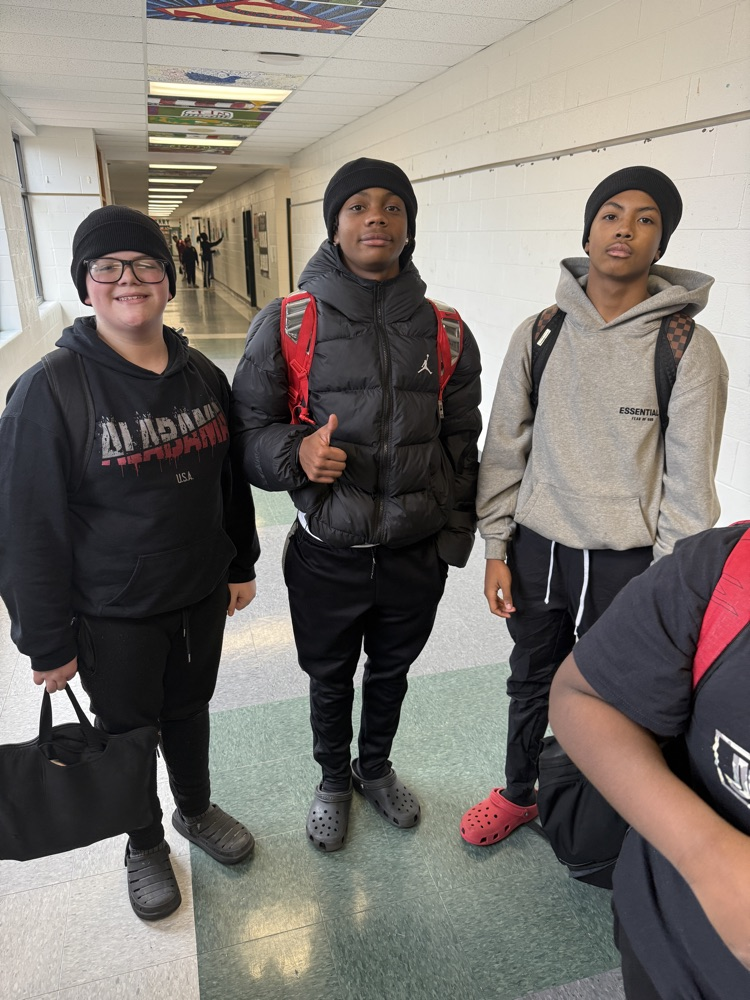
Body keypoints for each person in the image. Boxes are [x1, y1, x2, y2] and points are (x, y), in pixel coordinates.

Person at [0, 206, 259, 920]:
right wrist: (45, 639)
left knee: (190, 711)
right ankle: (142, 841)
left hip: (199, 592)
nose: (127, 280)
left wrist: (239, 561)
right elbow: (25, 528)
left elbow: (227, 479)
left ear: (169, 280)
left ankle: (195, 810)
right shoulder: (50, 391)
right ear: (86, 286)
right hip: (111, 611)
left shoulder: (202, 373)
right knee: (125, 733)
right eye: (106, 267)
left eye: (145, 265)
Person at [460, 166, 728, 846]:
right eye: (612, 214)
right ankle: (519, 791)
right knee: (531, 682)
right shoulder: (542, 333)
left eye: (646, 220)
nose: (626, 229)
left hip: (630, 565)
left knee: (620, 699)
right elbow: (505, 448)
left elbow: (689, 485)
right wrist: (496, 546)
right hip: (539, 550)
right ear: (589, 229)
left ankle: (603, 814)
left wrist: (669, 587)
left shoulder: (688, 350)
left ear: (659, 242)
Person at [232, 158, 482, 851]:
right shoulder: (287, 320)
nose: (377, 217)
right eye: (358, 206)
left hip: (414, 549)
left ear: (409, 228)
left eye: (394, 207)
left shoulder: (447, 330)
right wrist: (297, 455)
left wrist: (452, 540)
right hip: (328, 551)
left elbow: (464, 444)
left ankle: (375, 769)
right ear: (335, 225)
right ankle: (332, 780)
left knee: (393, 672)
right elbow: (247, 437)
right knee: (330, 674)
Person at [549, 524, 750, 1000]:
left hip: (632, 544)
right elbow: (582, 693)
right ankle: (521, 795)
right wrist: (712, 860)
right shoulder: (721, 570)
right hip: (668, 952)